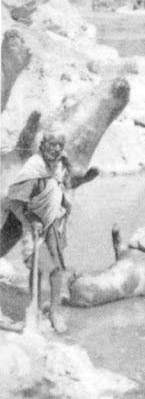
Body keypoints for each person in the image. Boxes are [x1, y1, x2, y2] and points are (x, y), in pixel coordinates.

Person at [4, 130, 73, 333]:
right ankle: (34, 306)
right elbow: (14, 202)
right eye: (53, 144)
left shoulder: (60, 165)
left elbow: (63, 188)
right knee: (45, 268)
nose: (57, 149)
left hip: (54, 225)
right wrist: (31, 219)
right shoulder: (34, 168)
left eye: (61, 145)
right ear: (43, 145)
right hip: (34, 228)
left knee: (58, 268)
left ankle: (53, 311)